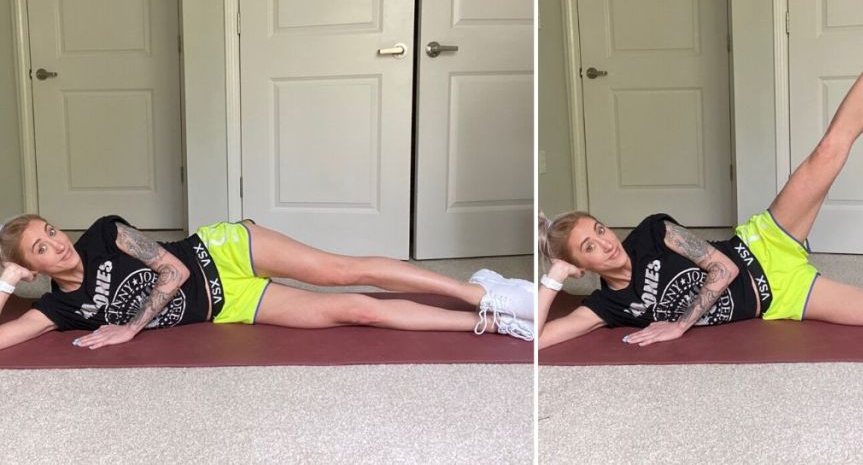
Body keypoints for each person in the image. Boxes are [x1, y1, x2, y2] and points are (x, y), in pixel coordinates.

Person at [536, 0, 863, 350]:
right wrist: (553, 275)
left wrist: (679, 326)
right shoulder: (609, 305)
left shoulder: (650, 234)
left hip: (760, 245)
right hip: (781, 296)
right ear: (581, 266)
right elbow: (540, 341)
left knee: (830, 148)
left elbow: (722, 271)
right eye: (589, 248)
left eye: (598, 229)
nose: (605, 243)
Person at [0, 214, 535, 351]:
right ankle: (490, 319)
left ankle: (482, 290)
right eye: (40, 249)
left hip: (220, 251)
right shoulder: (59, 310)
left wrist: (129, 329)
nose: (57, 243)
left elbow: (176, 269)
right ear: (34, 269)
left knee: (341, 270)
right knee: (354, 309)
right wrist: (6, 280)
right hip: (228, 303)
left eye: (50, 231)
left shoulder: (101, 235)